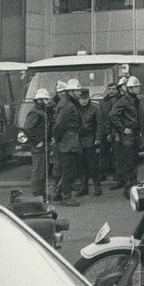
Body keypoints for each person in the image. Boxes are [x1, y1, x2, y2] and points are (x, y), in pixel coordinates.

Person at [109, 75, 144, 197]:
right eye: (136, 87)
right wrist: (123, 129)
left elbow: (140, 116)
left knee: (134, 161)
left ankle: (133, 186)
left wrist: (139, 130)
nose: (138, 89)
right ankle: (128, 188)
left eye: (138, 87)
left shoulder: (135, 100)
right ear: (130, 88)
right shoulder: (124, 101)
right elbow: (113, 115)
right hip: (128, 137)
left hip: (134, 135)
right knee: (129, 162)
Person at [53, 79, 83, 207]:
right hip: (68, 142)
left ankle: (59, 193)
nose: (79, 92)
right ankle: (66, 196)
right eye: (77, 90)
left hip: (69, 141)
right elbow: (59, 125)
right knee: (68, 170)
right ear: (70, 91)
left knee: (68, 169)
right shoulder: (67, 105)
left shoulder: (68, 103)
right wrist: (58, 139)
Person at [75, 84, 103, 196]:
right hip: (78, 140)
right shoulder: (75, 108)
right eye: (81, 99)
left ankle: (97, 187)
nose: (83, 101)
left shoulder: (95, 108)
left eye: (85, 99)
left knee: (93, 165)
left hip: (90, 140)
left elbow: (100, 125)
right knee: (81, 166)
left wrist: (98, 139)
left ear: (88, 98)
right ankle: (84, 187)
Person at [25, 88, 52, 198]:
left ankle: (41, 193)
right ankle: (37, 194)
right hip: (39, 145)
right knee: (39, 171)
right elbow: (28, 129)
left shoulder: (40, 111)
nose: (48, 101)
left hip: (42, 144)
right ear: (40, 100)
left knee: (43, 170)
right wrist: (37, 141)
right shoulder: (36, 112)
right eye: (46, 99)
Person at [98, 81, 120, 182]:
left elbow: (115, 118)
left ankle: (116, 173)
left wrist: (112, 132)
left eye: (114, 89)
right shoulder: (102, 102)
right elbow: (102, 117)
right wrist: (105, 132)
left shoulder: (119, 100)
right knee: (103, 152)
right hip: (105, 131)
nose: (111, 91)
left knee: (116, 153)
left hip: (115, 131)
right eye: (110, 89)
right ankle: (102, 173)